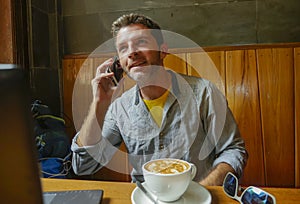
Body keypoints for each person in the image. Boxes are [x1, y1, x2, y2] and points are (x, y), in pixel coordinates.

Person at [71, 13, 248, 186]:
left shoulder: (204, 93)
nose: (132, 52)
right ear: (120, 62)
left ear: (163, 50)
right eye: (123, 48)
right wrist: (98, 104)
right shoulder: (119, 109)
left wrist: (202, 191)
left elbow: (233, 151)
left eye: (141, 42)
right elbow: (83, 165)